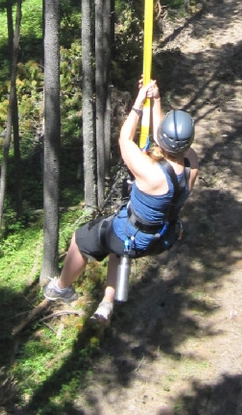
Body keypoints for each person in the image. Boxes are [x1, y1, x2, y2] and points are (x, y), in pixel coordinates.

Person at [43, 78, 199, 325]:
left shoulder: (148, 171)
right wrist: (156, 100)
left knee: (81, 239)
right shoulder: (192, 164)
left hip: (132, 235)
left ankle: (61, 287)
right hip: (163, 236)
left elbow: (125, 139)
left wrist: (139, 101)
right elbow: (165, 140)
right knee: (117, 249)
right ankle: (106, 305)